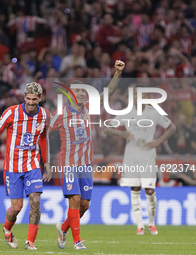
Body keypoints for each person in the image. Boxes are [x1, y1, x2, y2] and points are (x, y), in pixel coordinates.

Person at [51, 60, 125, 250]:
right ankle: (77, 242)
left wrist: (117, 73)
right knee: (74, 199)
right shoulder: (60, 113)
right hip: (68, 163)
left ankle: (63, 227)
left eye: (84, 91)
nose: (82, 94)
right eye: (78, 91)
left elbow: (108, 93)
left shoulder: (89, 109)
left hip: (85, 164)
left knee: (84, 205)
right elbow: (44, 133)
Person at [104, 85, 176, 235]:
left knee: (150, 191)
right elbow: (107, 128)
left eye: (140, 95)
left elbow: (172, 128)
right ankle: (139, 225)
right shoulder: (126, 113)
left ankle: (151, 223)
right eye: (135, 95)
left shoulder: (154, 112)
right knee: (135, 190)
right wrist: (122, 134)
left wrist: (158, 141)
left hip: (148, 155)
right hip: (130, 156)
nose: (138, 97)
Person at [0, 82, 51, 250]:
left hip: (32, 164)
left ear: (40, 98)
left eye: (34, 99)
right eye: (28, 99)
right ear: (24, 97)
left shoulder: (45, 115)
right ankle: (7, 227)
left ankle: (30, 242)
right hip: (13, 167)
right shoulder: (12, 112)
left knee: (35, 201)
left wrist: (47, 162)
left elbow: (44, 138)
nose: (31, 103)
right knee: (17, 207)